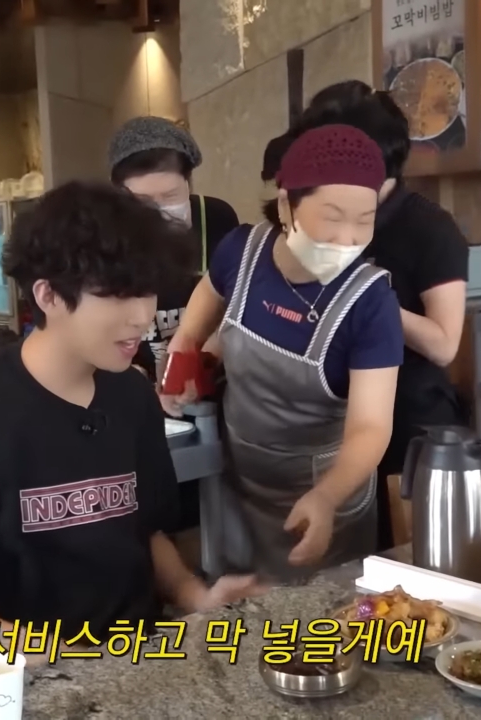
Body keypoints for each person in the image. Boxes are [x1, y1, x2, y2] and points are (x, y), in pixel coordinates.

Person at [0, 181, 264, 700]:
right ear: (48, 295)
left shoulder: (132, 396)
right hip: (15, 689)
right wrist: (57, 657)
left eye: (147, 291)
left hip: (136, 675)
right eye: (117, 295)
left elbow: (147, 534)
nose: (142, 315)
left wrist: (195, 596)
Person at [160, 125, 403, 584]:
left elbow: (371, 427)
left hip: (323, 500)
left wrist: (327, 497)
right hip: (238, 486)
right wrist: (187, 353)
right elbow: (201, 312)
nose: (348, 238)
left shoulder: (371, 303)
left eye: (364, 219)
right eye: (332, 217)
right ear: (287, 203)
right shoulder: (241, 252)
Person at [296, 81, 469, 550]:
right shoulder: (320, 214)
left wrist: (365, 293)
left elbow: (443, 343)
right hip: (332, 423)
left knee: (398, 564)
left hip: (409, 427)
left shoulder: (428, 227)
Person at [108, 116, 239, 378]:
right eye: (142, 200)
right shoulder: (105, 235)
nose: (159, 210)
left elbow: (235, 303)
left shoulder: (216, 217)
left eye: (170, 196)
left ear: (188, 184)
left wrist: (202, 362)